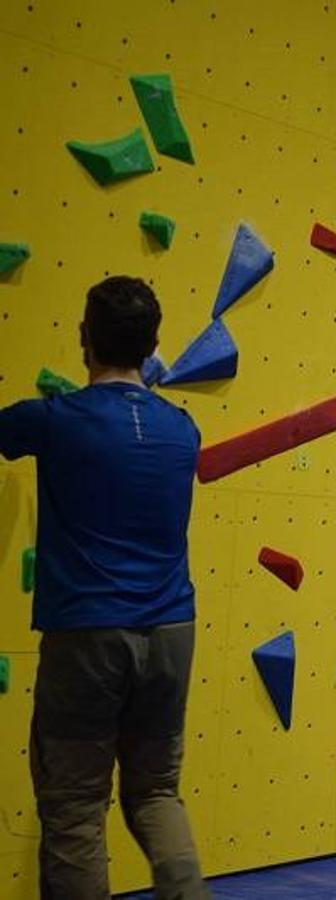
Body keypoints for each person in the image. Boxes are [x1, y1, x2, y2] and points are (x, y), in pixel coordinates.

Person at [0, 277, 208, 899]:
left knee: (73, 807)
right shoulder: (183, 431)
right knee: (156, 793)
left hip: (88, 636)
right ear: (152, 346)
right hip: (171, 634)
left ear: (84, 339)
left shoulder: (57, 421)